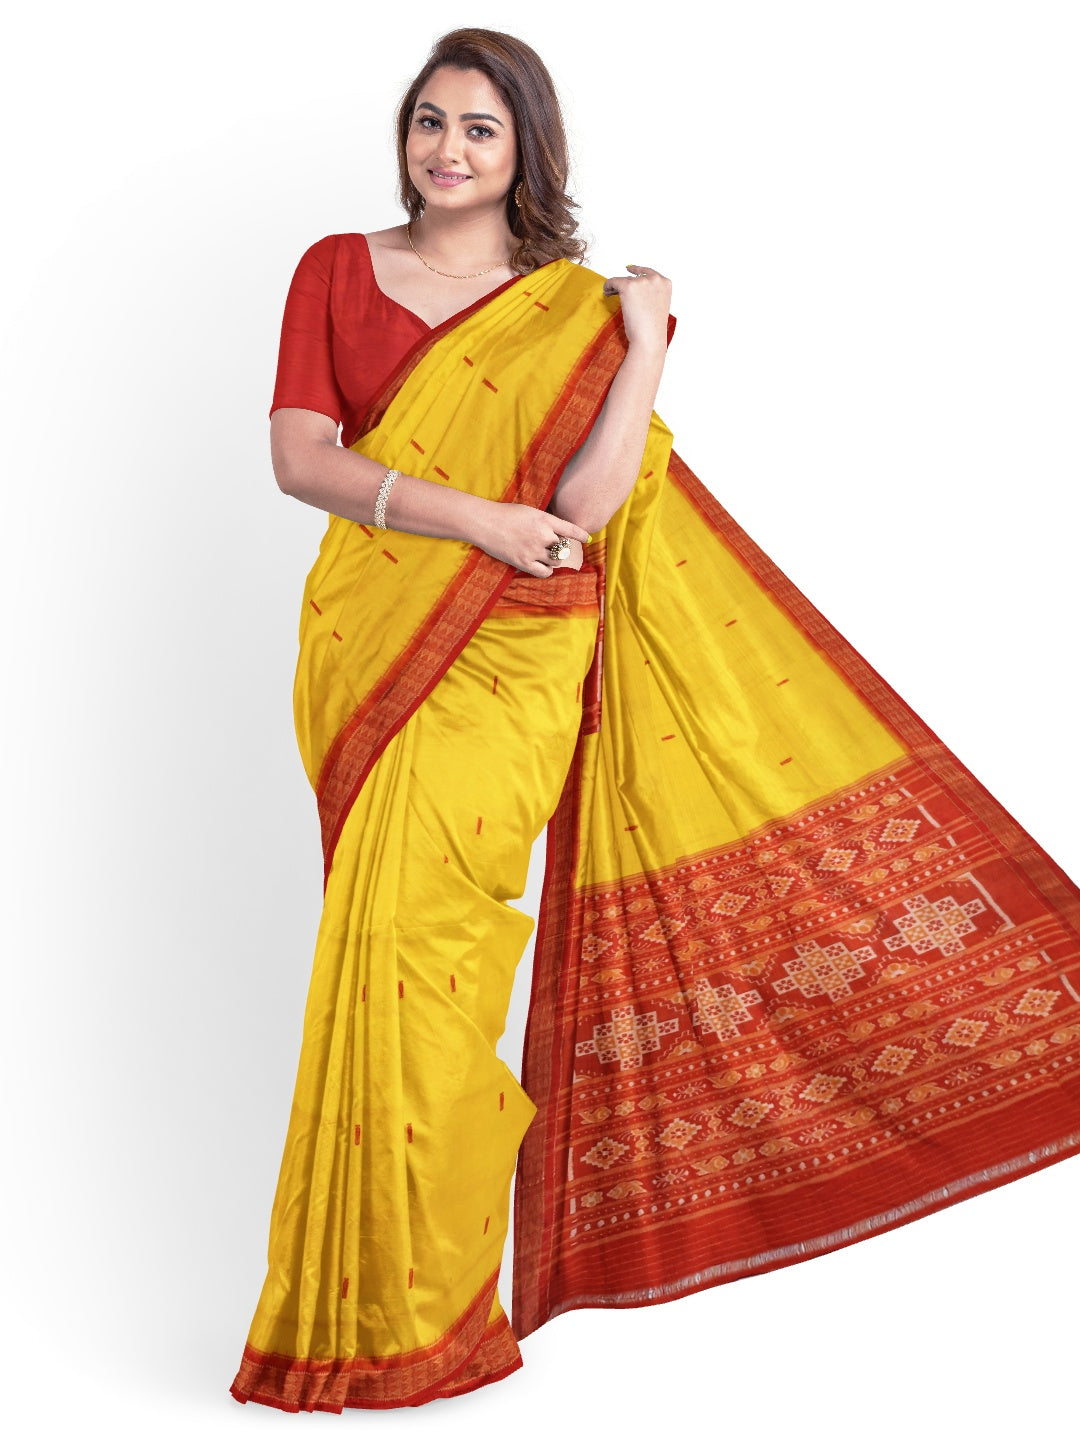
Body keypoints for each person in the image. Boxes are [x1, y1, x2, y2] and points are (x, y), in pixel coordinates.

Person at [231, 27, 1080, 1414]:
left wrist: (641, 348)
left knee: (426, 954)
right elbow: (299, 458)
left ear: (527, 152)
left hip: (518, 651)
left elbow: (584, 508)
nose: (448, 149)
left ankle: (418, 1312)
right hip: (376, 635)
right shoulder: (336, 266)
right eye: (430, 121)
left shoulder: (572, 309)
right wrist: (478, 520)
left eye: (480, 129)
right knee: (380, 950)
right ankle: (373, 1306)